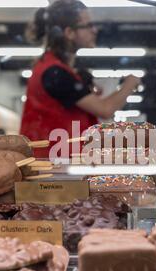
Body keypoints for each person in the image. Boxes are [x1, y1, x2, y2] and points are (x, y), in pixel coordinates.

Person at [20, 0, 141, 158]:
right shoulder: (55, 72)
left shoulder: (55, 69)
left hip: (55, 165)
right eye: (88, 25)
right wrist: (130, 84)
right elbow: (105, 109)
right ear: (69, 32)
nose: (94, 30)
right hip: (51, 170)